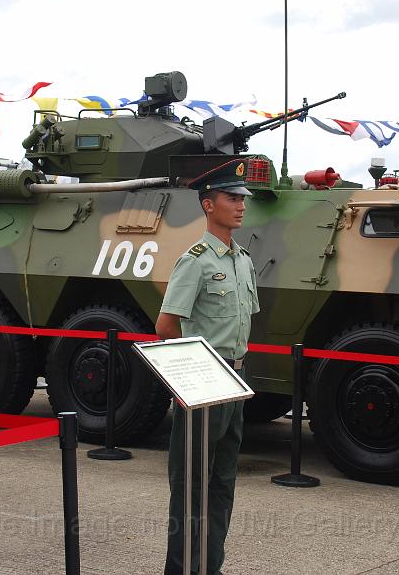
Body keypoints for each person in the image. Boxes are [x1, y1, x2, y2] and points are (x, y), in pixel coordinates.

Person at [155, 158, 259, 575]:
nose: (240, 206)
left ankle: (209, 565)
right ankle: (181, 570)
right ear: (207, 205)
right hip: (203, 381)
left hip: (235, 379)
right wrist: (187, 377)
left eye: (242, 199)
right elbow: (166, 325)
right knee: (190, 487)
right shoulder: (195, 261)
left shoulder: (243, 260)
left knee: (222, 482)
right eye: (231, 198)